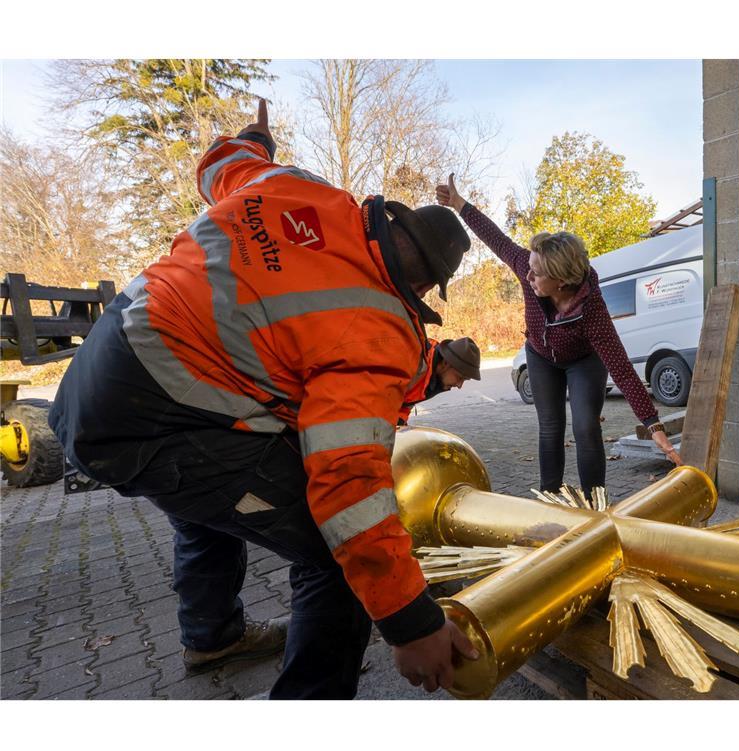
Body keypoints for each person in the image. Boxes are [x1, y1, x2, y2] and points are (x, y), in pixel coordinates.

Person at [49, 100, 479, 699]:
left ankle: (212, 634)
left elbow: (223, 162)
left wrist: (258, 138)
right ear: (428, 287)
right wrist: (408, 619)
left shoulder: (297, 188)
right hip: (152, 419)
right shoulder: (380, 327)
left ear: (389, 216)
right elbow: (347, 485)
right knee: (336, 557)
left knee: (209, 494)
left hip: (94, 375)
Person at [435, 174, 682, 499]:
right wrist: (459, 205)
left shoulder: (591, 309)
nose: (527, 275)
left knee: (585, 427)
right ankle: (550, 500)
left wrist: (654, 426)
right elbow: (497, 240)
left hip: (583, 362)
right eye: (530, 268)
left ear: (562, 280)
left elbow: (621, 367)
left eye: (536, 273)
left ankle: (595, 504)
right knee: (550, 429)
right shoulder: (528, 265)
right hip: (540, 356)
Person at [398, 337, 482, 425]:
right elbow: (385, 397)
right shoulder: (416, 363)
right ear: (445, 363)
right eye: (459, 377)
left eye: (465, 380)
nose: (459, 385)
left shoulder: (434, 378)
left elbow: (407, 401)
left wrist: (400, 422)